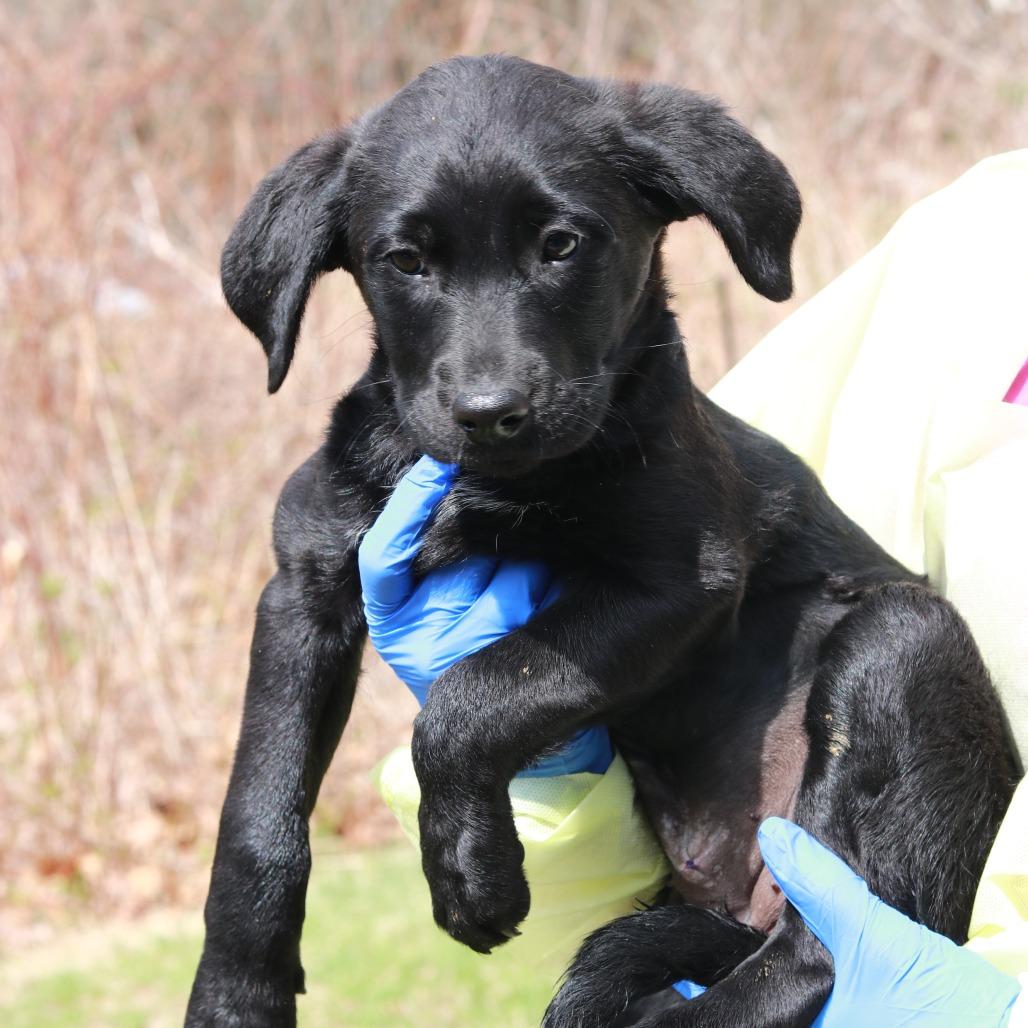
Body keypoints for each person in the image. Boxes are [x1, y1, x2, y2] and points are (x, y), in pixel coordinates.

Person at [361, 151, 1028, 1022]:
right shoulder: (983, 236)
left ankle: (801, 967)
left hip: (907, 954)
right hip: (731, 896)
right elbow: (704, 554)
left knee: (905, 634)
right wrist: (553, 764)